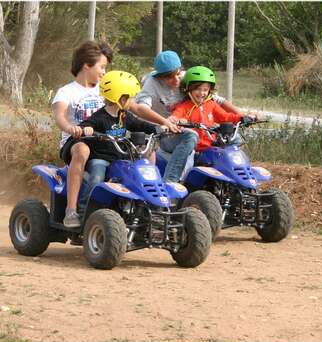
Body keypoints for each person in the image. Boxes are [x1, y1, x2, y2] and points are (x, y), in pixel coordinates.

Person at [52, 41, 177, 228]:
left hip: (108, 143)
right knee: (83, 150)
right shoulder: (67, 91)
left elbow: (136, 111)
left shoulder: (110, 89)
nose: (104, 72)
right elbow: (60, 117)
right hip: (78, 140)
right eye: (101, 67)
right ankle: (73, 210)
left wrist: (163, 123)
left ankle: (145, 207)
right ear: (87, 65)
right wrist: (71, 128)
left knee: (146, 151)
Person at [134, 50, 244, 182]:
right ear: (160, 77)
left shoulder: (187, 77)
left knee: (232, 137)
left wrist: (242, 115)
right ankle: (171, 181)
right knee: (191, 136)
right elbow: (141, 109)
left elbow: (214, 99)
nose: (176, 80)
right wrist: (166, 122)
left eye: (178, 74)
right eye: (169, 77)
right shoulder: (151, 84)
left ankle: (236, 179)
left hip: (187, 127)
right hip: (163, 130)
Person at [78, 70, 166, 192]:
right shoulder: (99, 117)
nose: (132, 102)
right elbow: (84, 126)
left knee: (138, 174)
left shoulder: (124, 115)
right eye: (131, 98)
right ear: (121, 99)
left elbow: (140, 124)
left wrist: (158, 128)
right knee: (97, 178)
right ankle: (85, 207)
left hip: (120, 158)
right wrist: (86, 129)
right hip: (101, 158)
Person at [171, 66, 252, 151]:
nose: (202, 93)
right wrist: (177, 121)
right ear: (188, 89)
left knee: (236, 141)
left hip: (211, 145)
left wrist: (242, 118)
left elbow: (225, 117)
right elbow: (175, 116)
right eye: (197, 89)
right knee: (188, 162)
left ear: (209, 91)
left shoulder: (211, 105)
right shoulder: (184, 107)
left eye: (205, 90)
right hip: (194, 149)